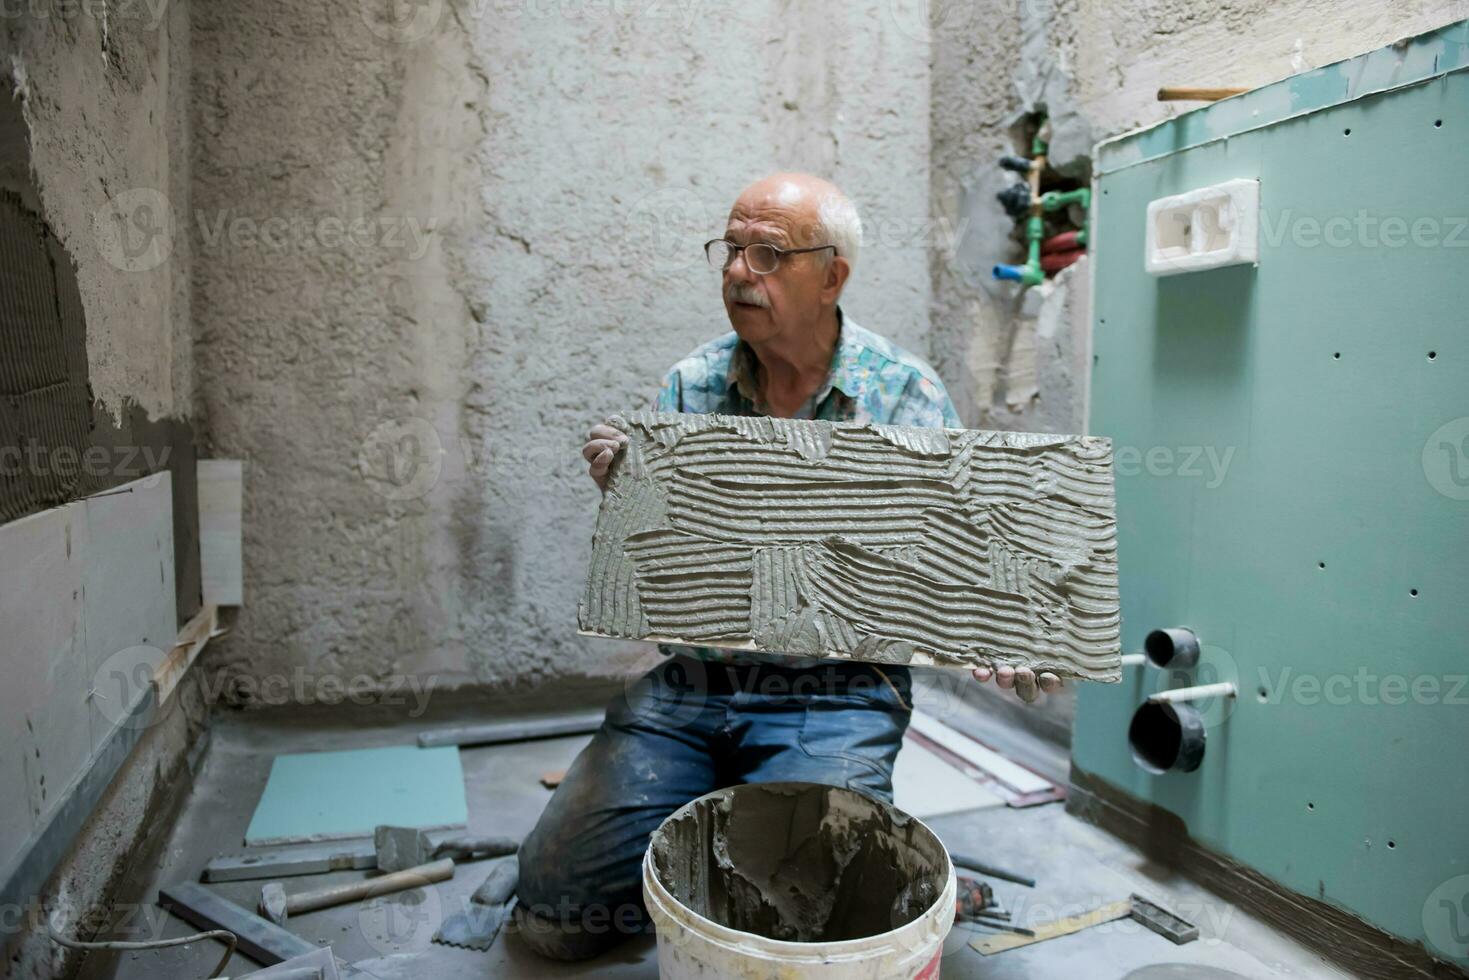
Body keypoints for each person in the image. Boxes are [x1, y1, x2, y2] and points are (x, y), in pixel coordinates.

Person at [514, 173, 1061, 960]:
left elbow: (958, 557)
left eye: (768, 254)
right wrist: (633, 497)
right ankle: (719, 810)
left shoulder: (903, 396)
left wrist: (1005, 628)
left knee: (815, 926)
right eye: (731, 250)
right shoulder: (693, 383)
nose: (739, 271)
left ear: (831, 274)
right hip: (695, 687)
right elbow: (665, 576)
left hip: (834, 691)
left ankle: (753, 823)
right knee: (556, 916)